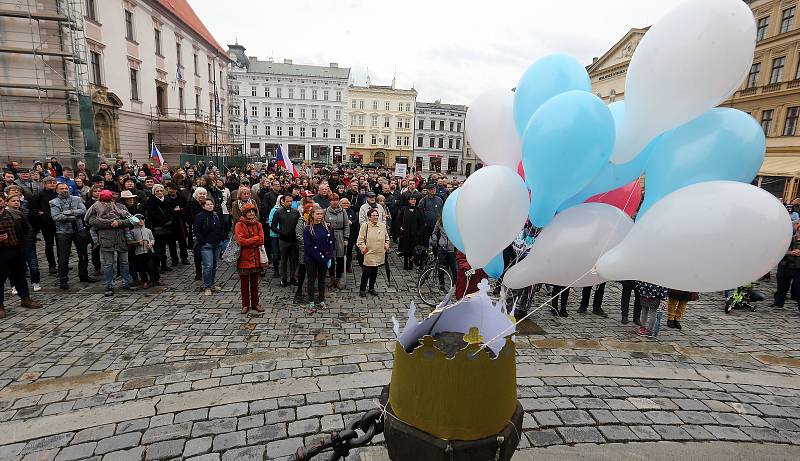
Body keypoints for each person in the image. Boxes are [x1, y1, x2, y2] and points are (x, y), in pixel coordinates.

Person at [85, 189, 137, 295]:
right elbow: (92, 221)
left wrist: (119, 222)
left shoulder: (121, 207)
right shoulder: (96, 206)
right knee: (108, 264)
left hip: (121, 238)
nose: (112, 196)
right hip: (106, 239)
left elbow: (130, 220)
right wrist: (109, 224)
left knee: (124, 262)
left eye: (114, 194)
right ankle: (109, 285)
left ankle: (126, 282)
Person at [0, 193, 43, 317]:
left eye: (0, 200)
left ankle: (25, 299)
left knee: (20, 275)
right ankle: (0, 305)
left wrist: (25, 243)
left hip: (16, 249)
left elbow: (28, 228)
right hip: (1, 252)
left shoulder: (15, 214)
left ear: (4, 202)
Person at [50, 182, 94, 289]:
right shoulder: (53, 202)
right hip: (63, 232)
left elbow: (83, 211)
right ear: (57, 190)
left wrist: (67, 212)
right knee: (64, 257)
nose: (64, 190)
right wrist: (73, 216)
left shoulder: (76, 198)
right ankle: (63, 279)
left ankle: (84, 275)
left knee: (83, 254)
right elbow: (56, 217)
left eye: (66, 188)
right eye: (62, 189)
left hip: (78, 230)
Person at [5, 194, 41, 294]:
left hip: (27, 242)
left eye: (18, 201)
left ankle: (35, 282)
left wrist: (28, 239)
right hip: (13, 244)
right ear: (7, 202)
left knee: (33, 263)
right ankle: (14, 285)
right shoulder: (5, 214)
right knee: (14, 266)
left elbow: (29, 227)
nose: (16, 202)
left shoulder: (24, 212)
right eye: (13, 201)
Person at [235, 203, 265, 314]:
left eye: (253, 211)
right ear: (245, 213)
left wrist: (251, 240)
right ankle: (245, 304)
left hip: (256, 258)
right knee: (244, 284)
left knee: (255, 283)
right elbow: (240, 241)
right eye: (249, 212)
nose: (251, 213)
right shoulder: (239, 225)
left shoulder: (258, 224)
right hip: (243, 258)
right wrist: (255, 239)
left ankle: (256, 304)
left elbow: (261, 240)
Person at [303, 206, 334, 313]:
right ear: (312, 214)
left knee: (322, 279)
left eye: (321, 214)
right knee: (311, 280)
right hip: (312, 259)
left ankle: (321, 299)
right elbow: (309, 246)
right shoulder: (308, 229)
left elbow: (330, 242)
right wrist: (321, 257)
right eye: (318, 214)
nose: (320, 216)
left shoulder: (327, 227)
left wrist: (328, 255)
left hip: (324, 259)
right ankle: (311, 301)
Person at [194, 198, 226, 295]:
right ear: (203, 206)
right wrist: (203, 241)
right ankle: (207, 286)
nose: (210, 206)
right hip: (206, 245)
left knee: (214, 266)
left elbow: (223, 227)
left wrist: (222, 238)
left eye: (211, 204)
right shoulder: (200, 216)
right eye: (207, 204)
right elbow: (197, 230)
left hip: (217, 244)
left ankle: (212, 284)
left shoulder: (216, 215)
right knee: (208, 266)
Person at [356, 208, 389, 297]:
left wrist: (386, 246)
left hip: (379, 253)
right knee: (367, 272)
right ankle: (362, 289)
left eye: (377, 215)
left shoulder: (382, 226)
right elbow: (360, 240)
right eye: (373, 215)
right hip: (369, 253)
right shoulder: (365, 226)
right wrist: (364, 249)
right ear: (369, 217)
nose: (375, 217)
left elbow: (387, 238)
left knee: (374, 272)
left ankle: (371, 288)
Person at [271, 194, 300, 287]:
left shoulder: (296, 212)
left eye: (291, 201)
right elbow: (273, 225)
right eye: (287, 201)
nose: (289, 203)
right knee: (283, 260)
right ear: (283, 201)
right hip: (283, 240)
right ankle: (283, 278)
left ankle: (292, 277)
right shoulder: (278, 212)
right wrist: (280, 232)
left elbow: (299, 224)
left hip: (293, 240)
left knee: (293, 260)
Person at [147, 184, 177, 273]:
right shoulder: (151, 201)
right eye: (157, 191)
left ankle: (164, 265)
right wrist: (163, 221)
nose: (160, 192)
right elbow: (152, 214)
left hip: (167, 226)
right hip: (157, 227)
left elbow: (171, 211)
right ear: (154, 192)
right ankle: (157, 266)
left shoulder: (167, 199)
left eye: (161, 190)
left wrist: (169, 221)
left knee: (164, 247)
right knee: (157, 248)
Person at [32, 177, 58, 273]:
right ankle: (52, 265)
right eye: (50, 182)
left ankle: (62, 263)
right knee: (49, 245)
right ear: (45, 184)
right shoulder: (39, 195)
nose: (52, 184)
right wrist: (42, 215)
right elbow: (35, 209)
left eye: (54, 182)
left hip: (58, 222)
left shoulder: (57, 193)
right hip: (46, 224)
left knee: (61, 245)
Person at [128, 213, 160, 289]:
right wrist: (137, 243)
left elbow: (152, 239)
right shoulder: (132, 232)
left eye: (142, 219)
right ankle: (144, 280)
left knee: (152, 266)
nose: (141, 221)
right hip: (139, 252)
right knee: (141, 267)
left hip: (149, 251)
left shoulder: (148, 230)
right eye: (139, 220)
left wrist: (151, 244)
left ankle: (156, 278)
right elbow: (130, 242)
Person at [324, 193, 349, 290]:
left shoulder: (343, 212)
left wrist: (346, 238)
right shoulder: (325, 211)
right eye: (333, 200)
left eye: (336, 200)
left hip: (340, 236)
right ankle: (331, 277)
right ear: (330, 201)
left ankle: (338, 278)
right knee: (330, 257)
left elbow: (346, 225)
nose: (335, 202)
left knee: (340, 258)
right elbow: (322, 223)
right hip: (329, 236)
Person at [398, 195, 425, 270]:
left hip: (415, 234)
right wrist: (400, 227)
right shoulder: (404, 209)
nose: (413, 200)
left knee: (412, 250)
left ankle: (411, 264)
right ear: (408, 200)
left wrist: (419, 232)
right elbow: (399, 219)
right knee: (406, 249)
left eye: (414, 199)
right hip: (405, 233)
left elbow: (422, 223)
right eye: (411, 199)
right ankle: (405, 264)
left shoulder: (419, 210)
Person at [293, 204, 312, 304]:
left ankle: (311, 288)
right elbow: (299, 235)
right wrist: (308, 244)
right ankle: (299, 288)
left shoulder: (316, 221)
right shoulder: (302, 221)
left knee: (312, 271)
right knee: (302, 269)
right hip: (304, 249)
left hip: (314, 250)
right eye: (308, 210)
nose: (310, 212)